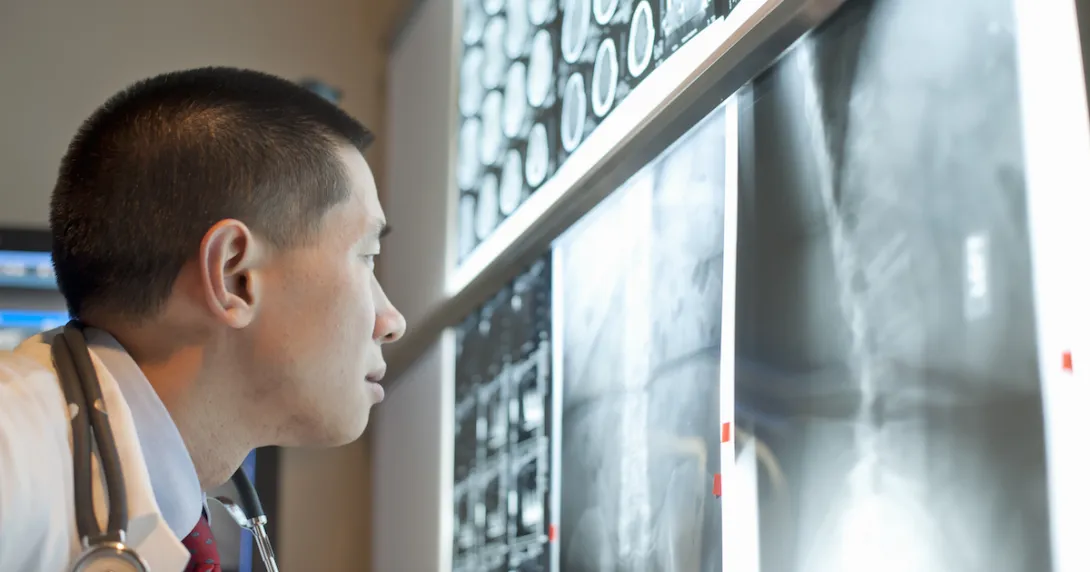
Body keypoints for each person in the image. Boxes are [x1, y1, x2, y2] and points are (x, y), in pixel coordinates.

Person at [0, 67, 407, 571]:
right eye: (366, 257)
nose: (392, 321)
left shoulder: (160, 502)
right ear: (236, 276)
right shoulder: (12, 455)